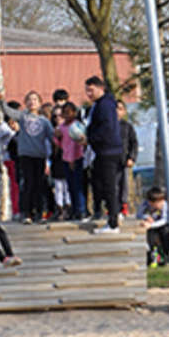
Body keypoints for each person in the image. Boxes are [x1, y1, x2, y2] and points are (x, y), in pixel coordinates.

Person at [0, 90, 53, 224]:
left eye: (35, 99)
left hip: (39, 155)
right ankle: (27, 213)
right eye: (29, 99)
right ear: (25, 103)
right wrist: (1, 102)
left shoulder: (44, 121)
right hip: (25, 155)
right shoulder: (23, 117)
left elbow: (52, 138)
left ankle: (40, 213)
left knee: (39, 184)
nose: (32, 102)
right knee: (28, 184)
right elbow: (9, 112)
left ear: (40, 103)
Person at [83, 75, 123, 234]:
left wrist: (90, 139)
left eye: (91, 90)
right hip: (102, 150)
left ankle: (113, 223)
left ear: (101, 88)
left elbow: (107, 128)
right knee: (100, 184)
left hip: (108, 150)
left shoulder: (105, 105)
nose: (89, 94)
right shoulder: (99, 104)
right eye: (87, 90)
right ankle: (113, 214)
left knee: (109, 187)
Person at [57, 102, 87, 220]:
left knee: (78, 185)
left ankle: (81, 210)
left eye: (69, 112)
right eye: (64, 113)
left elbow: (78, 145)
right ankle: (74, 210)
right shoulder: (61, 127)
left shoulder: (77, 126)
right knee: (70, 186)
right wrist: (57, 137)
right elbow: (60, 144)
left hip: (77, 158)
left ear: (74, 113)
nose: (67, 115)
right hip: (65, 158)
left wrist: (73, 159)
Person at [138, 186, 169, 267]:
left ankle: (167, 255)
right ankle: (153, 257)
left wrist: (151, 225)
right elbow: (138, 214)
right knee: (151, 238)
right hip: (152, 226)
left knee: (165, 233)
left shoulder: (165, 205)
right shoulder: (145, 203)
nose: (158, 206)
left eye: (159, 203)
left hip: (163, 225)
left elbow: (164, 220)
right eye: (155, 204)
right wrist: (146, 217)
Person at [116, 100, 138, 218]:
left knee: (123, 184)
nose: (116, 111)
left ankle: (123, 206)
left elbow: (133, 143)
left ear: (124, 111)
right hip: (109, 160)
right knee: (111, 185)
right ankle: (113, 207)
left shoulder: (127, 127)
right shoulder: (107, 125)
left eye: (119, 108)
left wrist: (132, 157)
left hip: (123, 160)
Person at [49, 106, 70, 220]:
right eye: (55, 116)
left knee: (67, 187)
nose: (58, 118)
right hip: (56, 161)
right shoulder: (52, 130)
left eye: (60, 116)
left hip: (68, 160)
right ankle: (60, 208)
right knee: (58, 187)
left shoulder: (70, 128)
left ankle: (68, 208)